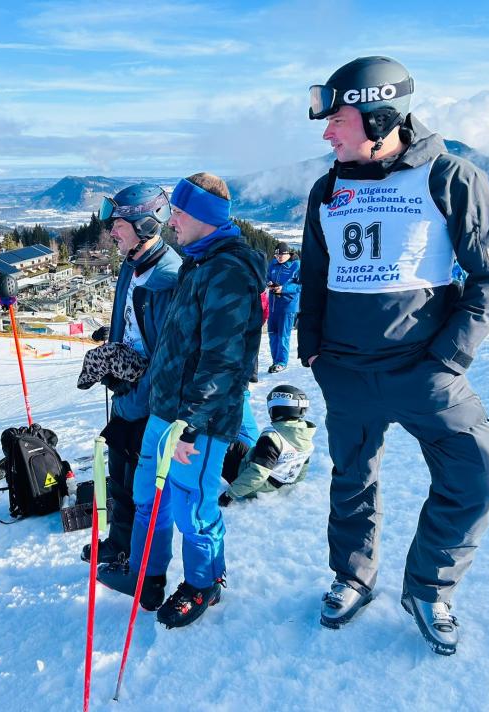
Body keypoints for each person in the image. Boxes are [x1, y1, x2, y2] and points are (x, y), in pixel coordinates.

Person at [299, 56, 489, 654]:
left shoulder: (449, 176)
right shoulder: (328, 187)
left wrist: (448, 358)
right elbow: (315, 275)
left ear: (378, 118)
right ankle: (352, 576)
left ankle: (428, 587)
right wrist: (312, 348)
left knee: (477, 473)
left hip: (423, 371)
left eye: (337, 120)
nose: (326, 134)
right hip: (344, 370)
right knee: (352, 479)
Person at [97, 172, 265, 629]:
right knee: (149, 496)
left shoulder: (229, 271)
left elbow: (224, 359)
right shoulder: (198, 261)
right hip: (166, 409)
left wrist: (193, 423)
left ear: (205, 217)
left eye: (180, 214)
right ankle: (147, 575)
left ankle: (203, 583)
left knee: (194, 506)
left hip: (198, 419)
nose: (171, 222)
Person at [79, 183, 182, 565]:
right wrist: (114, 344)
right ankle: (120, 544)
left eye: (118, 224)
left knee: (144, 488)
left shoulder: (167, 279)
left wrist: (132, 387)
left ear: (145, 225)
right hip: (128, 395)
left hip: (150, 401)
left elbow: (169, 357)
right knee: (120, 474)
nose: (111, 232)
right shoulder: (132, 266)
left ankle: (142, 562)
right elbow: (137, 325)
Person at [219, 385, 317, 504]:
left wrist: (230, 494)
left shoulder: (272, 438)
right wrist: (289, 484)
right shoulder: (304, 435)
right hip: (277, 480)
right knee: (236, 444)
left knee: (218, 447)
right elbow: (301, 470)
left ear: (277, 409)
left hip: (257, 487)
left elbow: (258, 473)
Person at [266, 242, 301, 373]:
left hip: (288, 305)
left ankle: (281, 362)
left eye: (281, 255)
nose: (279, 257)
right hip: (273, 305)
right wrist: (269, 283)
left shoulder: (296, 265)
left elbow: (301, 285)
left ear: (288, 253)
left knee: (283, 335)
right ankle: (275, 361)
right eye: (277, 255)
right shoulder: (273, 264)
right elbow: (267, 277)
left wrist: (284, 289)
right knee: (272, 334)